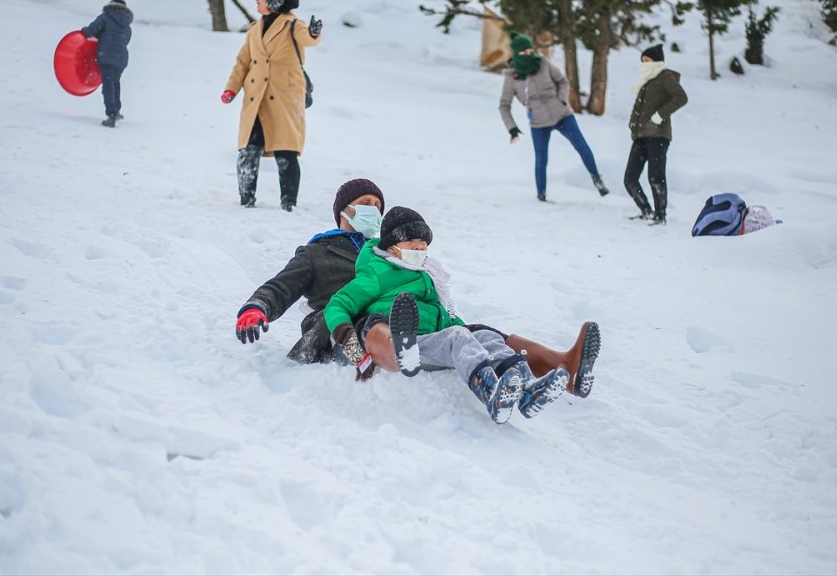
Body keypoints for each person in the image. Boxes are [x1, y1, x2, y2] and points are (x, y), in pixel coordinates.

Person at [234, 178, 600, 398]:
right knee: (374, 322)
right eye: (365, 204)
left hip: (404, 318)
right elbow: (281, 286)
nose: (374, 210)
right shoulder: (319, 252)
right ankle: (399, 352)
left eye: (378, 205)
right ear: (343, 212)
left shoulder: (392, 251)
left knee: (478, 332)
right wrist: (257, 307)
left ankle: (563, 367)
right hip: (346, 328)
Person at [323, 206, 570, 424]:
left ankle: (527, 390)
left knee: (486, 336)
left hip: (433, 338)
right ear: (392, 247)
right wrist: (345, 334)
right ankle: (490, 392)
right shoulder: (377, 273)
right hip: (407, 340)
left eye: (424, 243)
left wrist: (473, 332)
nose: (420, 247)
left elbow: (446, 317)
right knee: (457, 338)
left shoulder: (427, 275)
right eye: (411, 242)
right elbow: (338, 303)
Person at [221, 0, 322, 212]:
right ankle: (246, 201)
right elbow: (242, 62)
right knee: (249, 149)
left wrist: (314, 32)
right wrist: (231, 89)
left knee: (286, 152)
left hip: (284, 99)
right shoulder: (254, 29)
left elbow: (307, 38)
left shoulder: (293, 24)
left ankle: (289, 204)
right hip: (256, 98)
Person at [499, 32, 608, 202]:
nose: (528, 55)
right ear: (516, 54)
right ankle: (541, 196)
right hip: (539, 123)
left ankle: (596, 178)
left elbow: (562, 82)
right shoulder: (512, 77)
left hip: (562, 115)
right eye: (524, 52)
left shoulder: (543, 63)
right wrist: (511, 127)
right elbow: (504, 106)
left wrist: (562, 100)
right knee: (541, 159)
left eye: (530, 51)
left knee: (581, 146)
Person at [624, 44, 688, 225]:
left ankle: (660, 216)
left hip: (658, 135)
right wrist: (632, 125)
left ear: (656, 60)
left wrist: (660, 115)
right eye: (642, 60)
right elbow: (638, 108)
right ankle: (646, 211)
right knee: (630, 179)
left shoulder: (665, 76)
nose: (644, 63)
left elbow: (681, 97)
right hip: (641, 136)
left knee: (655, 177)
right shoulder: (646, 80)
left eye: (647, 59)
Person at [81, 0, 133, 128]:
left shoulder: (105, 17)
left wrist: (84, 31)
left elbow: (90, 31)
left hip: (107, 56)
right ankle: (116, 110)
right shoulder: (127, 26)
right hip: (121, 58)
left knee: (108, 85)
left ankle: (111, 115)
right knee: (115, 82)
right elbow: (125, 41)